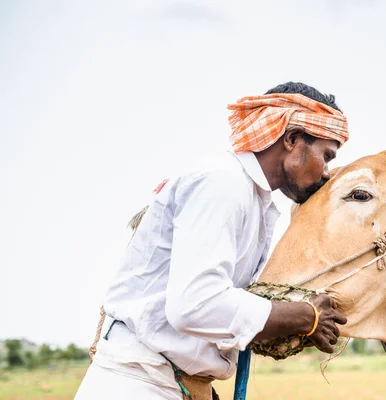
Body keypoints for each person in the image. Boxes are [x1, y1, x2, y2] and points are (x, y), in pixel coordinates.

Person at [74, 82, 350, 400]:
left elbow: (222, 315)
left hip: (176, 386)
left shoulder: (255, 203)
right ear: (290, 139)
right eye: (326, 156)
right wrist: (304, 316)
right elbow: (195, 304)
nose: (327, 171)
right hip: (140, 385)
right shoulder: (223, 184)